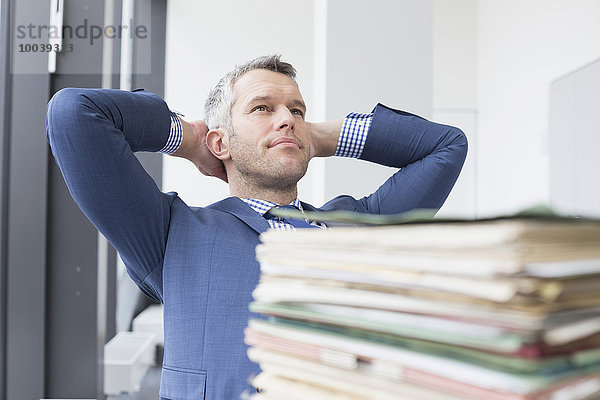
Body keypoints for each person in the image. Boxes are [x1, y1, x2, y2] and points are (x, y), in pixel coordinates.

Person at [46, 55, 467, 400]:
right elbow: (74, 114)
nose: (287, 119)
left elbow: (446, 146)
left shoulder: (352, 227)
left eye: (296, 111)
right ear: (221, 142)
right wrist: (189, 139)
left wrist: (320, 137)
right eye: (263, 108)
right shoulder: (172, 232)